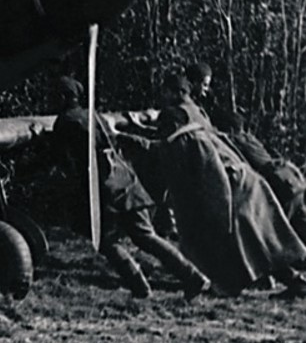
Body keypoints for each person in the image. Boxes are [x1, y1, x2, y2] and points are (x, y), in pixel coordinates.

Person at [49, 76, 210, 300]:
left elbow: (60, 159)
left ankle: (139, 285)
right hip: (125, 179)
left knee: (106, 240)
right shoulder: (94, 115)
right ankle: (192, 276)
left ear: (63, 97)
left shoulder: (65, 121)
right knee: (147, 236)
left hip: (103, 188)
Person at [155, 73, 306, 299]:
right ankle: (294, 281)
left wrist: (221, 213)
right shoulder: (197, 120)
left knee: (249, 241)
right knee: (261, 241)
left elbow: (213, 173)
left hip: (233, 187)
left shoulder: (193, 141)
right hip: (243, 182)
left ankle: (232, 284)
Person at [212, 110, 306, 242]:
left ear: (231, 130)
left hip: (279, 183)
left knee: (280, 233)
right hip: (291, 180)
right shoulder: (250, 137)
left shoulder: (236, 140)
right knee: (299, 224)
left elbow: (219, 137)